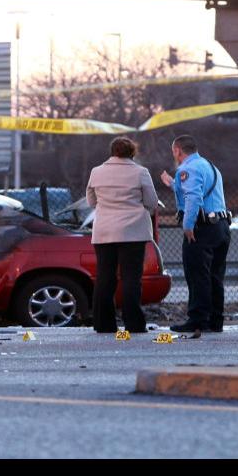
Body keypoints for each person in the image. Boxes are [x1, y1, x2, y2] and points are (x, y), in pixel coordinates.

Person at [86, 137, 158, 333]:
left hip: (104, 231)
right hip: (133, 232)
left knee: (104, 277)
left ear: (112, 151)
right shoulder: (141, 172)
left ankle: (103, 323)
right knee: (131, 279)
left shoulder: (96, 172)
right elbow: (152, 201)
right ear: (132, 152)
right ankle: (133, 323)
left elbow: (91, 201)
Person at [159, 134, 230, 333]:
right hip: (221, 226)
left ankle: (198, 320)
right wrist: (173, 184)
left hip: (202, 228)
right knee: (215, 276)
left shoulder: (187, 169)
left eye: (173, 151)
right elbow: (197, 189)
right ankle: (215, 321)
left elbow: (193, 198)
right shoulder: (208, 166)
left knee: (198, 275)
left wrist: (188, 226)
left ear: (177, 150)